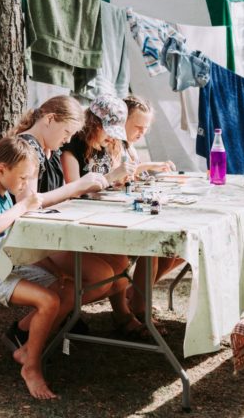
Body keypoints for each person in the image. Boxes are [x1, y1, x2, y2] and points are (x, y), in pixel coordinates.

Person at [0, 136, 72, 400]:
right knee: (49, 301)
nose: (24, 185)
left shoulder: (4, 195)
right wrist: (23, 206)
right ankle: (31, 368)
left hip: (5, 264)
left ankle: (28, 347)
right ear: (1, 170)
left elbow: (15, 242)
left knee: (65, 288)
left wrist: (53, 269)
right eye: (22, 179)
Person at [10, 96, 113, 347]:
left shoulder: (49, 149)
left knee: (117, 267)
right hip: (28, 239)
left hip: (50, 233)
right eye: (66, 132)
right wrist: (76, 187)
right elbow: (28, 203)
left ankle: (60, 318)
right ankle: (25, 332)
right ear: (49, 119)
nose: (68, 140)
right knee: (103, 276)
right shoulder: (27, 149)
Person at [60, 95, 143, 339]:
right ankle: (60, 312)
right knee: (117, 263)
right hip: (79, 223)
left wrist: (120, 180)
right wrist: (111, 177)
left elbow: (106, 183)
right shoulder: (72, 148)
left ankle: (123, 312)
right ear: (94, 124)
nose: (112, 137)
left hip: (102, 215)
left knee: (123, 258)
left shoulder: (104, 145)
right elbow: (72, 190)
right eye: (108, 131)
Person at [123, 95, 183, 330]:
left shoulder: (129, 147)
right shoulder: (112, 143)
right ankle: (139, 304)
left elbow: (130, 174)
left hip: (134, 210)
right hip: (121, 219)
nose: (141, 133)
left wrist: (149, 167)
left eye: (145, 128)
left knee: (181, 247)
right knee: (154, 244)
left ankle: (135, 292)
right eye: (138, 127)